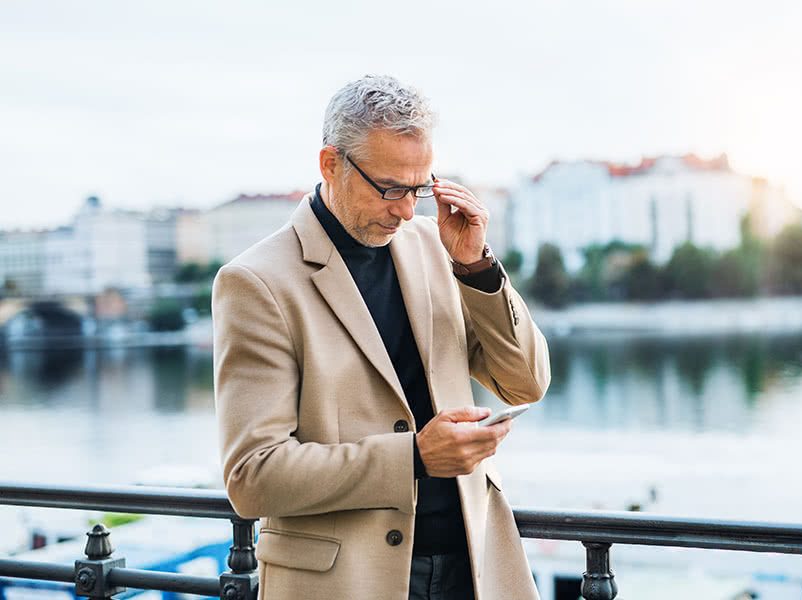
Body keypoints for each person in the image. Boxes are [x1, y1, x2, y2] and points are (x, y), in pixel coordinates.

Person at [212, 74, 550, 600]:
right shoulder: (256, 282)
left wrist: (477, 269)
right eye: (390, 188)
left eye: (419, 188)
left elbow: (525, 384)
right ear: (331, 164)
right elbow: (253, 477)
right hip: (347, 583)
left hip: (477, 568)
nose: (407, 209)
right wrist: (414, 457)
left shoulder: (439, 246)